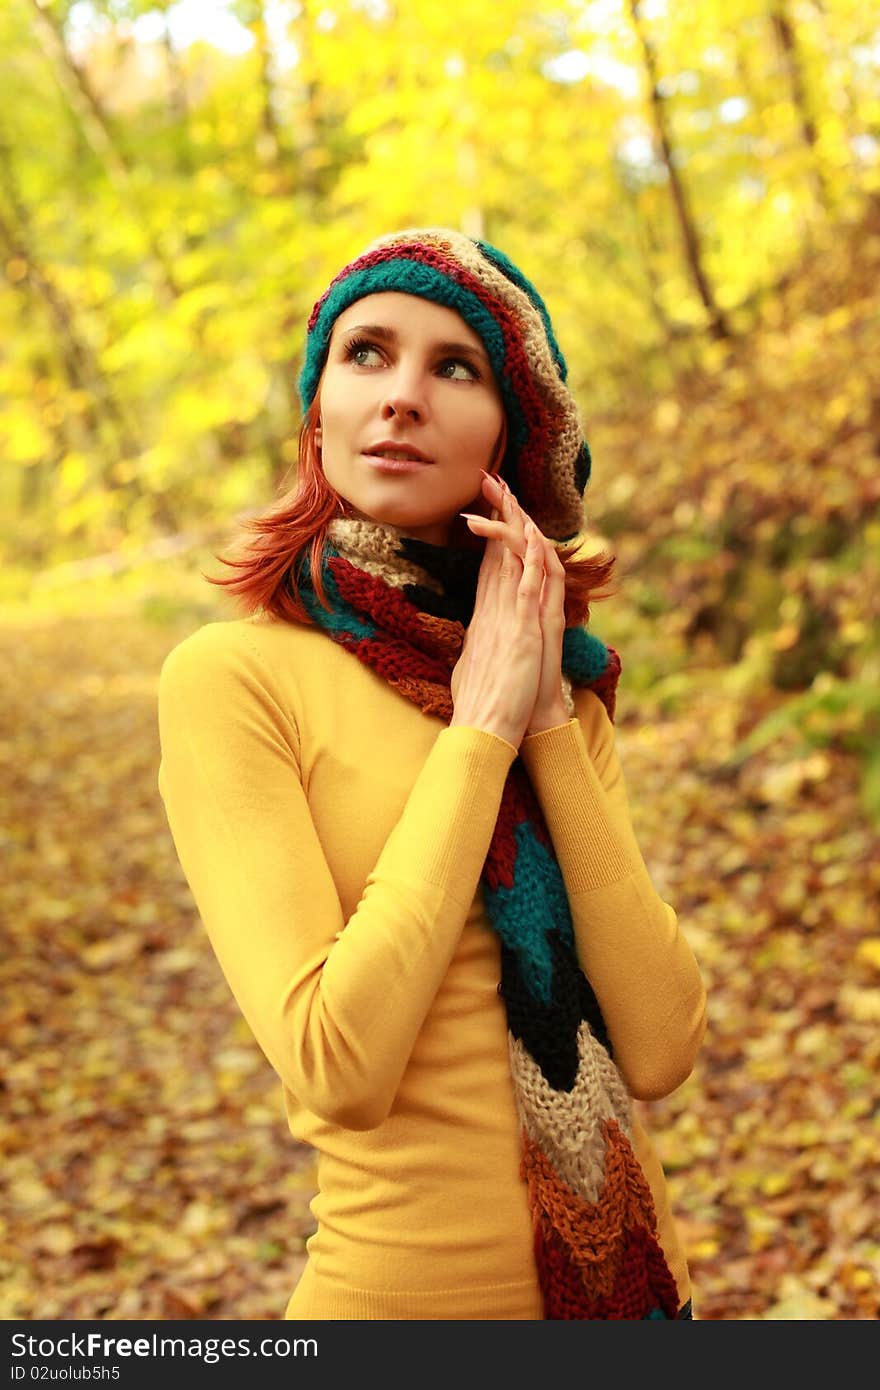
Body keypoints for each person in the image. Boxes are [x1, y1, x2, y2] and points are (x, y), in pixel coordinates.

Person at [157, 227, 707, 1321]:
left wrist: (540, 713)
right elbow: (336, 1062)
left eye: (453, 366)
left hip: (641, 1302)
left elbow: (658, 1044)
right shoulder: (236, 679)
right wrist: (481, 732)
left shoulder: (561, 685)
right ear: (318, 412)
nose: (401, 395)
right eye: (366, 353)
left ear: (513, 436)